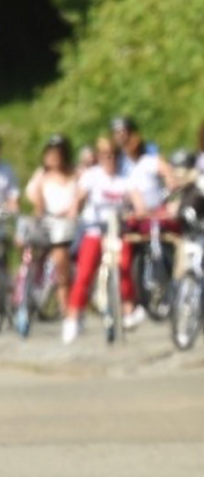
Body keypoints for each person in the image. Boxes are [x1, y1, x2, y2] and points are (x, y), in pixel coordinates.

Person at [62, 138, 146, 344]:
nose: (110, 160)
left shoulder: (126, 177)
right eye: (105, 155)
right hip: (95, 228)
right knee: (85, 272)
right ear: (99, 157)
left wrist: (140, 212)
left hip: (117, 230)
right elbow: (79, 198)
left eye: (114, 155)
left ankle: (127, 309)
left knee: (124, 266)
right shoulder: (92, 176)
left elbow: (138, 201)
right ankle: (73, 318)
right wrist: (74, 210)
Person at [25, 134, 79, 313]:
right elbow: (33, 196)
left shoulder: (75, 173)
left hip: (74, 223)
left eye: (58, 153)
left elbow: (82, 194)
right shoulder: (42, 175)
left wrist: (73, 208)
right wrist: (40, 208)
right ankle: (64, 304)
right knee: (59, 253)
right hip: (52, 224)